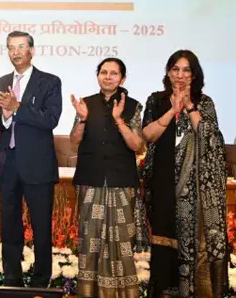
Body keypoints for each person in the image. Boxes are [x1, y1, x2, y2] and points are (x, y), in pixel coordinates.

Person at [141, 50, 228, 297]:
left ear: (194, 74)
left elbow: (211, 139)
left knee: (191, 240)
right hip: (163, 182)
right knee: (163, 239)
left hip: (195, 189)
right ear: (168, 73)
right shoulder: (156, 100)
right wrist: (172, 110)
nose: (180, 75)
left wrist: (189, 106)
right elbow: (147, 136)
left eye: (186, 70)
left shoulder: (204, 102)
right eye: (175, 69)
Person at [0, 30, 62, 288]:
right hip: (9, 166)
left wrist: (17, 108)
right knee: (9, 225)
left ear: (32, 50)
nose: (15, 52)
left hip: (38, 166)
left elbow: (50, 119)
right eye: (11, 48)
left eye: (21, 47)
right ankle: (12, 277)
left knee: (41, 227)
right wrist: (4, 116)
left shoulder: (49, 82)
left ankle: (41, 280)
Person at [69, 58, 144, 298]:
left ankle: (122, 292)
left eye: (114, 73)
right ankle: (89, 291)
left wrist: (119, 119)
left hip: (121, 181)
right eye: (104, 72)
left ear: (123, 78)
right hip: (90, 179)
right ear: (98, 76)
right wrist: (82, 118)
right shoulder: (86, 104)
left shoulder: (133, 106)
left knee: (121, 239)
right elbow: (74, 140)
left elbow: (137, 145)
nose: (108, 77)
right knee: (90, 238)